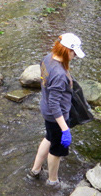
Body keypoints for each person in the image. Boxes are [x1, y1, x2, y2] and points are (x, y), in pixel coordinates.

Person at [27, 33, 85, 186]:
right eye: (74, 53)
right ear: (67, 51)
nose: (75, 57)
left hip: (45, 109)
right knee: (56, 150)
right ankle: (53, 181)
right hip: (55, 116)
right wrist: (65, 128)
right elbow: (55, 105)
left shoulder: (48, 57)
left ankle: (35, 171)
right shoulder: (59, 74)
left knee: (49, 137)